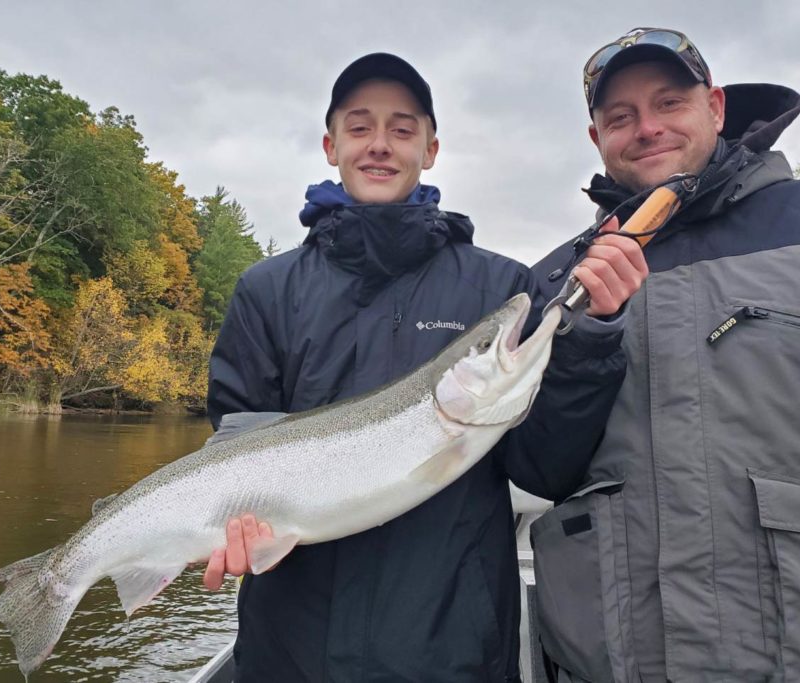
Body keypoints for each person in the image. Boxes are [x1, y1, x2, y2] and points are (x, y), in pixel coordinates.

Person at [202, 53, 649, 682]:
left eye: (403, 129)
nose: (380, 145)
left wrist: (591, 343)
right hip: (292, 653)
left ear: (431, 149)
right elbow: (237, 441)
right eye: (360, 128)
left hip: (452, 650)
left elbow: (544, 470)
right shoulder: (266, 290)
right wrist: (234, 531)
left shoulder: (500, 286)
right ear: (331, 146)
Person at [529, 27, 800, 683]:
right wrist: (590, 334)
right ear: (597, 139)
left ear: (715, 106)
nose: (647, 128)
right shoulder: (551, 282)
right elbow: (540, 467)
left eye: (668, 103)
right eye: (620, 117)